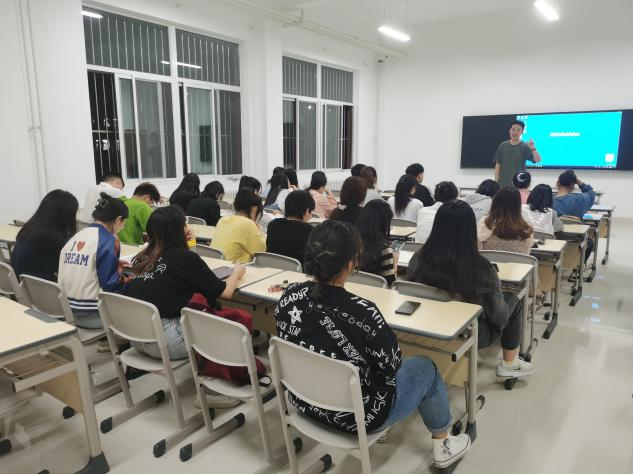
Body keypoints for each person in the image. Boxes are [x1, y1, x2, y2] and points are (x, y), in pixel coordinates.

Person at [274, 220, 471, 469]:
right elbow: (392, 366)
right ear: (350, 264)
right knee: (426, 368)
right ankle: (443, 446)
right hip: (360, 417)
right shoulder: (365, 313)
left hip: (303, 402)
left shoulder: (289, 296)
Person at [408, 200, 537, 379]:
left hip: (425, 324)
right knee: (512, 300)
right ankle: (510, 363)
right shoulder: (482, 268)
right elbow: (499, 316)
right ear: (470, 230)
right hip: (468, 332)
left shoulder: (418, 258)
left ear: (437, 226)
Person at [126, 206, 246, 360]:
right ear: (179, 229)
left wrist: (186, 245)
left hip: (137, 337)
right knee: (234, 330)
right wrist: (236, 273)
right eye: (185, 223)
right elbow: (226, 292)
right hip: (168, 342)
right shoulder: (185, 258)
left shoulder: (143, 256)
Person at [58, 193, 129, 329]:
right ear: (118, 219)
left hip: (66, 312)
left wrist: (114, 265)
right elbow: (110, 285)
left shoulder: (76, 236)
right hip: (93, 316)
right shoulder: (109, 240)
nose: (122, 227)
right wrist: (129, 279)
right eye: (123, 224)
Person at [11, 190, 79, 281]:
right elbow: (74, 263)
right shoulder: (51, 236)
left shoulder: (30, 227)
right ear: (65, 216)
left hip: (22, 284)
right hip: (38, 285)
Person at [211, 188, 266, 263]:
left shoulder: (222, 220)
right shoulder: (248, 224)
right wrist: (259, 229)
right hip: (234, 267)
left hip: (215, 264)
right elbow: (262, 251)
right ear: (254, 209)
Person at [553, 170, 596, 263]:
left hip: (554, 240)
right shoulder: (580, 199)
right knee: (590, 242)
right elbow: (591, 193)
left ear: (558, 183)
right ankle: (579, 265)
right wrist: (578, 182)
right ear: (573, 185)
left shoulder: (550, 201)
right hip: (577, 240)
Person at [478, 187, 534, 254]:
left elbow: (478, 247)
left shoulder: (486, 223)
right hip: (517, 261)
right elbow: (527, 252)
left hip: (489, 260)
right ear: (518, 206)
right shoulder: (527, 229)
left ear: (495, 202)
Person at [266, 190, 315, 265]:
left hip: (272, 269)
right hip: (297, 271)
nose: (311, 216)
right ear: (307, 210)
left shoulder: (273, 224)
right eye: (310, 212)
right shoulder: (309, 230)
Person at [357, 199, 398, 286]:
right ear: (385, 223)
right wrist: (395, 266)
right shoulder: (384, 251)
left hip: (351, 289)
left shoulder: (350, 241)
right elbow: (390, 284)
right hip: (374, 292)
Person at [494, 120, 541, 188]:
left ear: (522, 132)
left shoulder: (525, 146)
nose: (515, 132)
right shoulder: (502, 146)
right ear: (509, 130)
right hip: (503, 184)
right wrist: (496, 181)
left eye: (518, 130)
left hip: (519, 185)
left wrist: (533, 148)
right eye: (513, 129)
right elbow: (498, 164)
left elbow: (538, 160)